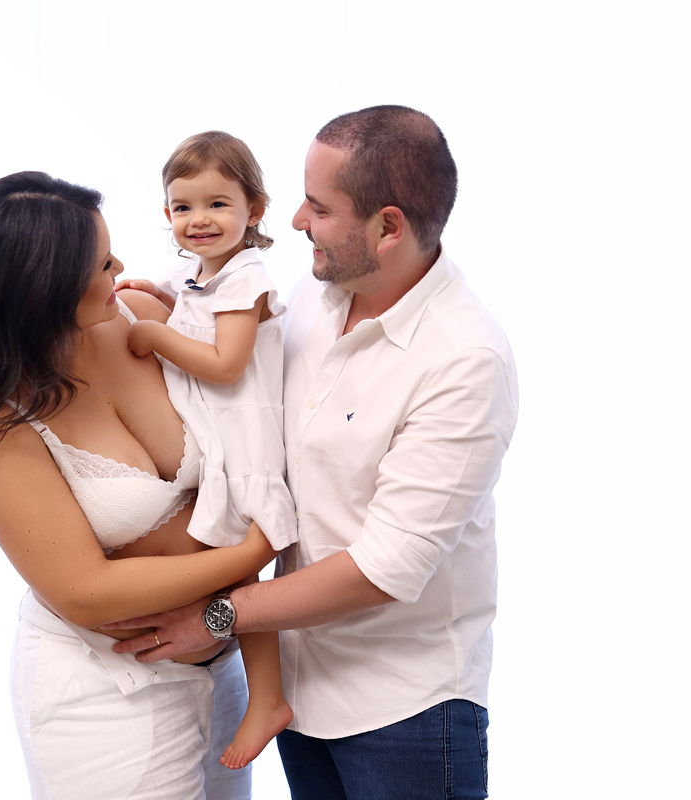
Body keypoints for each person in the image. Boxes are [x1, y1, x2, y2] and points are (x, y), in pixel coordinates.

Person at [105, 106, 520, 799]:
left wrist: (215, 616)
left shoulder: (464, 359)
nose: (296, 220)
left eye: (320, 208)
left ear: (389, 227)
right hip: (302, 697)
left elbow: (384, 569)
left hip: (406, 714)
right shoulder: (313, 297)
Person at [0, 171, 279, 800]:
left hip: (220, 665)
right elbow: (86, 591)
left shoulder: (141, 316)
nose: (121, 269)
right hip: (106, 694)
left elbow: (251, 415)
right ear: (43, 289)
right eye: (102, 263)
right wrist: (254, 552)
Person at [116, 131, 297, 769]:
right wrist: (158, 296)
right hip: (220, 435)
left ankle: (267, 697)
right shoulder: (199, 274)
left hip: (248, 437)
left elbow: (225, 362)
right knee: (227, 562)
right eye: (184, 207)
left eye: (218, 204)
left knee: (240, 567)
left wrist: (154, 333)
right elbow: (191, 309)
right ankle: (260, 692)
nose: (200, 220)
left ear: (255, 209)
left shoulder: (246, 277)